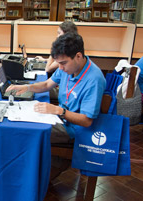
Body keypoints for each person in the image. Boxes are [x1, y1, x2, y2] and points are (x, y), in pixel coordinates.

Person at [6, 33, 106, 179]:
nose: (60, 68)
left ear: (78, 56)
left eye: (63, 63)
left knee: (26, 131)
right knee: (21, 125)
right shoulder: (67, 68)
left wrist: (59, 111)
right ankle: (32, 169)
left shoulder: (94, 80)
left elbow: (86, 121)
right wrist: (27, 88)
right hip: (60, 118)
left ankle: (27, 175)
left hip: (74, 129)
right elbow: (47, 84)